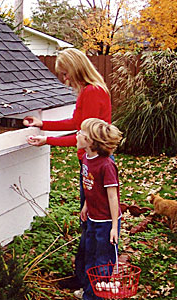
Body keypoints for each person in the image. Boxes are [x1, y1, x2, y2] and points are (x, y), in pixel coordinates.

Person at [24, 48, 112, 293]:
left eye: (64, 74)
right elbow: (76, 123)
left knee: (95, 225)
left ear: (75, 69)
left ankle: (92, 283)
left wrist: (47, 140)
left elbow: (84, 137)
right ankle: (83, 277)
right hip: (88, 162)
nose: (64, 80)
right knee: (87, 222)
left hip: (96, 165)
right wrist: (43, 125)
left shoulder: (93, 93)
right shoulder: (87, 92)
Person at [76, 118, 122, 300]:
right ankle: (89, 292)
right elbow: (91, 186)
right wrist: (86, 205)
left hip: (105, 222)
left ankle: (97, 296)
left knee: (102, 262)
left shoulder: (106, 165)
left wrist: (113, 227)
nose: (77, 135)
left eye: (81, 133)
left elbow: (113, 196)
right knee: (90, 258)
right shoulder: (87, 158)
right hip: (93, 219)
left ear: (91, 141)